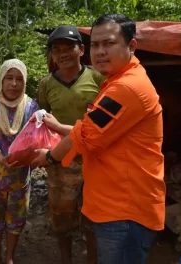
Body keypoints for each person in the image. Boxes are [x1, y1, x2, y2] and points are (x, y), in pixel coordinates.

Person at [32, 14, 165, 264]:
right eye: (96, 44)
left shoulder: (124, 87)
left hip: (124, 208)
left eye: (109, 43)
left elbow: (86, 134)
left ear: (131, 46)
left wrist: (49, 156)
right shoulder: (115, 81)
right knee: (63, 217)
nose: (100, 51)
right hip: (113, 200)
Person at [37, 25, 104, 264]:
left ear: (81, 50)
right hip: (61, 163)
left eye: (68, 48)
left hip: (95, 162)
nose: (63, 54)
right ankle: (66, 259)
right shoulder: (46, 84)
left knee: (93, 218)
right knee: (61, 217)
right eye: (57, 50)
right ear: (52, 55)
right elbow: (42, 119)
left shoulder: (97, 78)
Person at [0, 59, 39, 264]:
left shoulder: (30, 106)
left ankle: (10, 256)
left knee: (17, 219)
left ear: (25, 81)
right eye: (9, 78)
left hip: (19, 176)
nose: (14, 84)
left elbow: (34, 137)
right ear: (1, 80)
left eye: (19, 79)